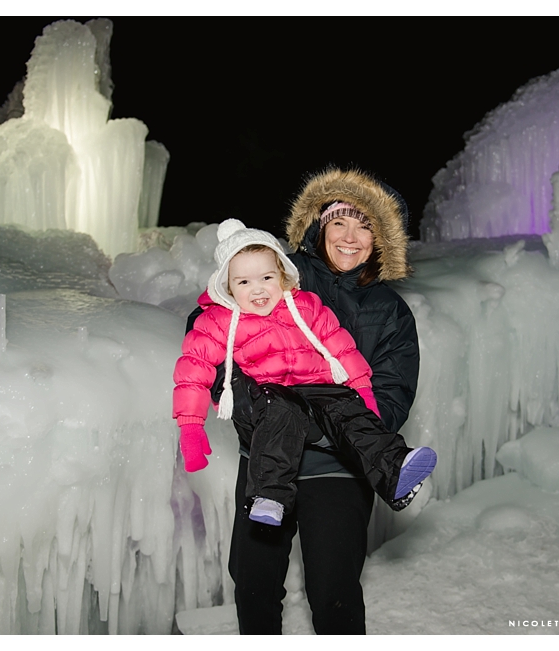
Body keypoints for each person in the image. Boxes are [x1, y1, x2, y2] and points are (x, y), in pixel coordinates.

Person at [193, 168, 420, 635]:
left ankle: (394, 470)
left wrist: (322, 428)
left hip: (339, 469)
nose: (351, 237)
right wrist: (253, 408)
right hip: (265, 456)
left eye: (365, 225)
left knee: (333, 592)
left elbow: (392, 398)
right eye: (340, 222)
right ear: (320, 225)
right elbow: (211, 324)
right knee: (254, 585)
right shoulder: (279, 274)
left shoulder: (391, 313)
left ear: (380, 239)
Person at [173, 218, 435, 527]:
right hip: (269, 393)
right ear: (227, 287)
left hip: (316, 386)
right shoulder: (219, 320)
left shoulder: (304, 304)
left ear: (282, 275)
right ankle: (269, 495)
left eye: (267, 278)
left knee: (345, 407)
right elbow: (194, 369)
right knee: (281, 410)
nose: (258, 289)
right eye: (244, 282)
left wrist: (362, 390)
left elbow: (340, 345)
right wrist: (191, 425)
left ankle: (394, 471)